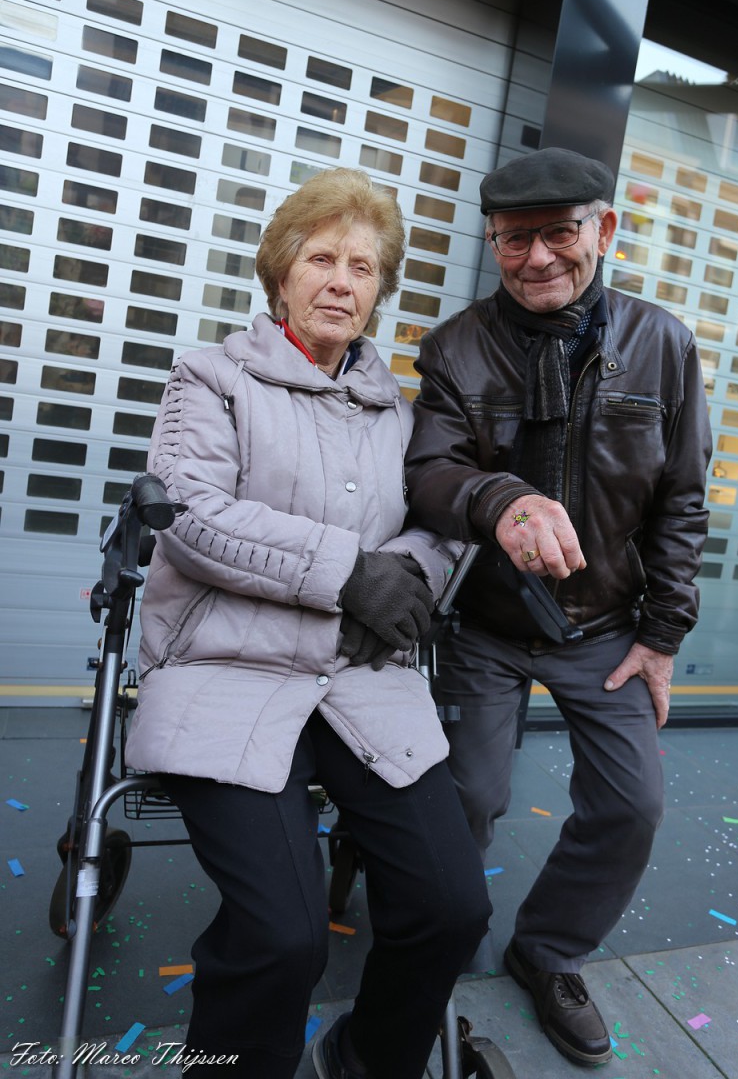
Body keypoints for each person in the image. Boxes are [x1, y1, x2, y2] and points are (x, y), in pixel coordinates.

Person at [124, 167, 491, 1079]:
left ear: (379, 290)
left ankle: (364, 1059)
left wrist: (405, 579)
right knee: (283, 936)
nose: (340, 282)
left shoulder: (401, 414)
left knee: (453, 909)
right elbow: (190, 513)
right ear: (281, 273)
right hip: (226, 672)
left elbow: (442, 524)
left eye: (362, 268)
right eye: (321, 259)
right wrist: (349, 576)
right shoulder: (211, 379)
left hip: (359, 677)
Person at [404, 147, 712, 1068]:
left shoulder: (664, 344)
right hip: (486, 625)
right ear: (493, 242)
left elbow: (683, 498)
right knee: (468, 797)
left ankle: (548, 953)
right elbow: (429, 473)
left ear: (603, 230)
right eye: (514, 239)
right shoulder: (454, 348)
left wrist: (663, 634)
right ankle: (426, 958)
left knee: (631, 805)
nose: (537, 257)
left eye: (558, 233)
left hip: (606, 627)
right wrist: (501, 500)